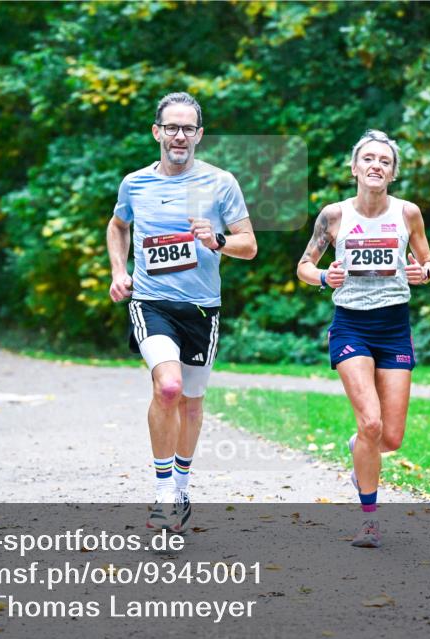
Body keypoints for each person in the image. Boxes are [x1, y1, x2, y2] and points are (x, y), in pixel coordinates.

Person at [106, 92, 257, 532]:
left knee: (191, 403)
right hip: (151, 303)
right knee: (168, 388)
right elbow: (118, 225)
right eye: (171, 127)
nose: (179, 136)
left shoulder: (221, 183)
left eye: (188, 128)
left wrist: (219, 241)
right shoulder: (135, 184)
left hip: (201, 309)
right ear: (157, 132)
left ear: (199, 135)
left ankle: (183, 485)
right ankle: (163, 492)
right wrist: (119, 270)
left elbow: (249, 245)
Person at [296, 129, 430, 548]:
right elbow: (304, 265)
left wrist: (424, 272)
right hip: (351, 325)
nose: (376, 166)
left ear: (392, 173)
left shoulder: (408, 213)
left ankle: (361, 447)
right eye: (369, 159)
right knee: (371, 421)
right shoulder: (333, 216)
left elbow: (429, 261)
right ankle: (370, 519)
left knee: (389, 437)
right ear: (355, 167)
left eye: (385, 161)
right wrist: (324, 276)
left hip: (394, 327)